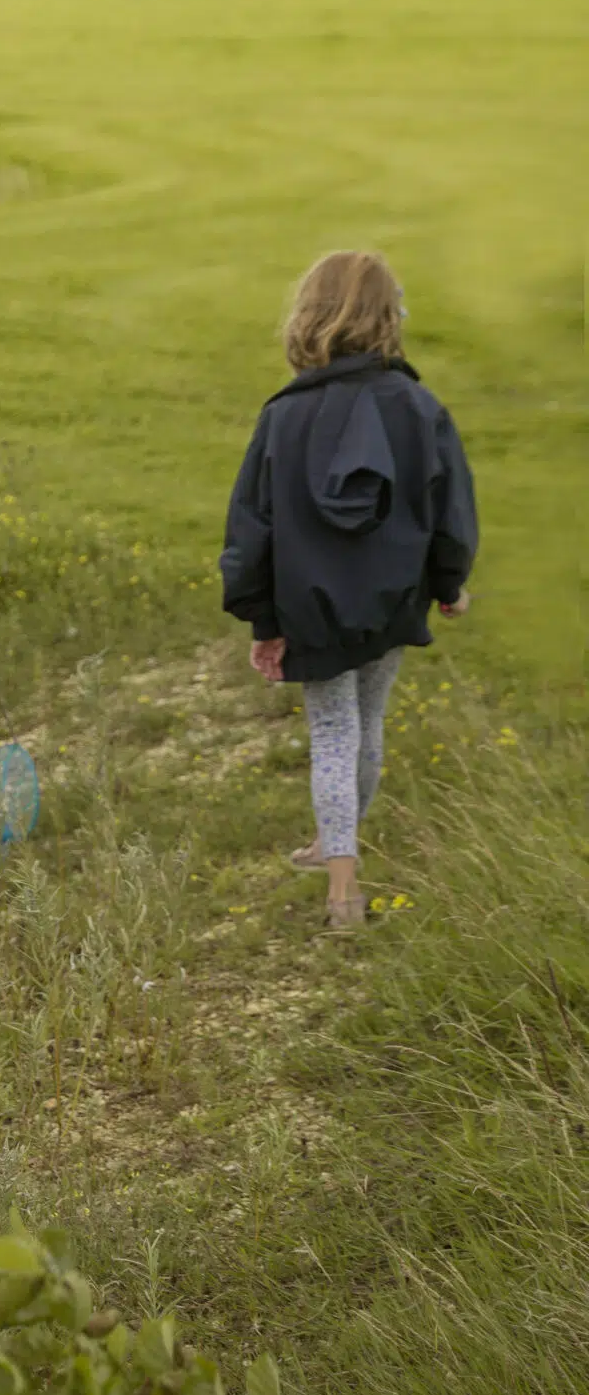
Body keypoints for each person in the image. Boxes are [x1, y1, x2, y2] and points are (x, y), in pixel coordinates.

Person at [220, 250, 477, 932]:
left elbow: (251, 529)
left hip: (311, 608)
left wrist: (262, 619)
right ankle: (337, 850)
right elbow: (450, 513)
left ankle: (342, 888)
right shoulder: (419, 408)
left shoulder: (284, 416)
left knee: (335, 732)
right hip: (392, 601)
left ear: (310, 315)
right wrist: (449, 585)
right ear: (391, 315)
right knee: (367, 725)